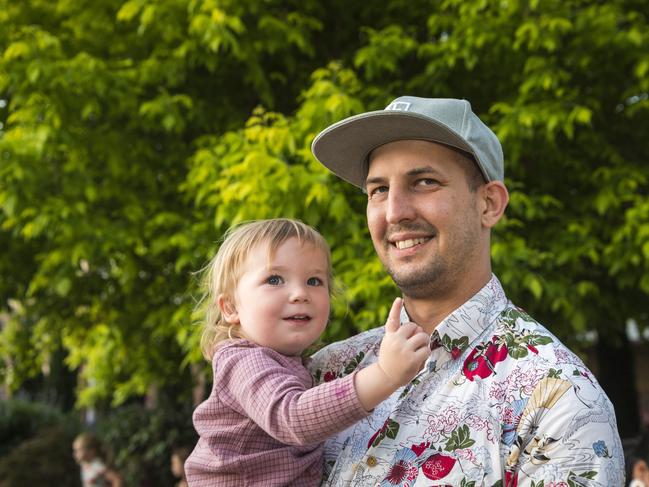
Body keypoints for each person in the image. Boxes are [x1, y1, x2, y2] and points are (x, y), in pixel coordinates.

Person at [309, 96, 625, 485]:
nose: (394, 212)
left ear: (489, 204)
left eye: (424, 182)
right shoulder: (326, 374)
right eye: (378, 190)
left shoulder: (557, 398)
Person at [184, 218, 431, 486]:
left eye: (314, 280)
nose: (300, 293)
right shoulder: (242, 360)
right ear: (231, 307)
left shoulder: (303, 364)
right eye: (274, 279)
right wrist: (385, 374)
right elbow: (293, 418)